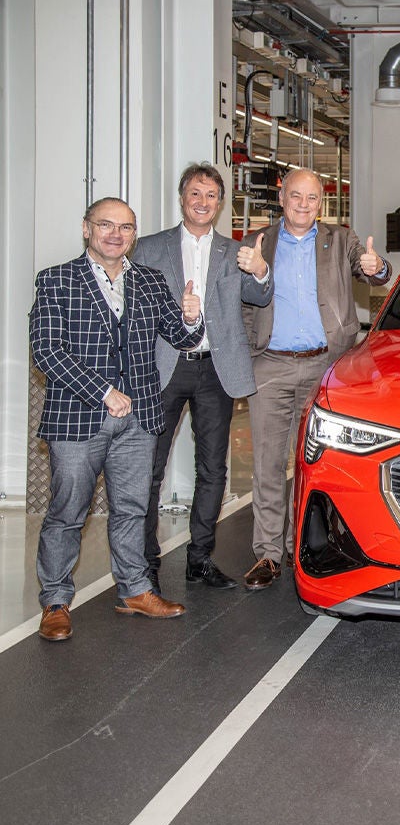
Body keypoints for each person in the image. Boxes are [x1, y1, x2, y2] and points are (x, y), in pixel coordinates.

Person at [31, 198, 204, 641]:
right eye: (105, 225)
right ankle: (55, 600)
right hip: (78, 419)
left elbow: (180, 335)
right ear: (86, 228)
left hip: (139, 419)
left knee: (131, 509)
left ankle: (134, 590)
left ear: (133, 234)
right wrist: (103, 393)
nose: (115, 234)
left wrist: (191, 314)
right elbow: (47, 351)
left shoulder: (148, 280)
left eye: (125, 227)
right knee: (68, 512)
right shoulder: (56, 281)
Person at [240, 168, 393, 590]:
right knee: (269, 464)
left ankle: (305, 544)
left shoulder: (341, 240)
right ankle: (269, 554)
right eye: (296, 196)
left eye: (311, 198)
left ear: (320, 203)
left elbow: (376, 275)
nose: (303, 205)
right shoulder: (259, 243)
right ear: (282, 196)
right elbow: (243, 298)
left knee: (319, 462)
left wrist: (377, 265)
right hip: (270, 365)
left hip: (326, 367)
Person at [134, 163, 273, 593]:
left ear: (219, 202)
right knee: (149, 468)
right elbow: (134, 307)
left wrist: (261, 269)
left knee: (213, 468)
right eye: (195, 193)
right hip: (163, 366)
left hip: (216, 368)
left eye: (211, 195)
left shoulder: (236, 252)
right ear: (182, 198)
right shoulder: (148, 248)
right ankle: (145, 562)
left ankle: (200, 560)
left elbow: (260, 297)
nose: (202, 202)